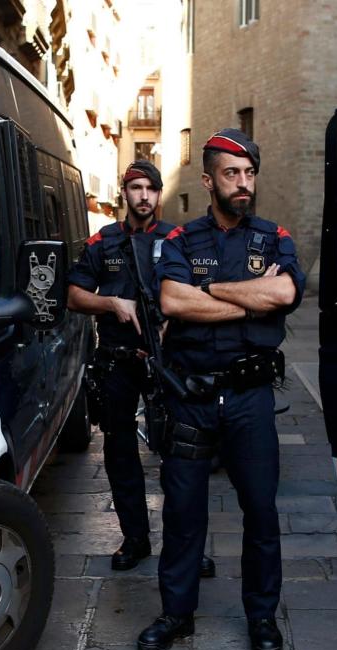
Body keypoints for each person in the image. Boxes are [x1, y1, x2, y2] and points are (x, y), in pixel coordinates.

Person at [136, 129, 305, 650]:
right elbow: (173, 302)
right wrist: (249, 302)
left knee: (261, 512)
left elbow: (284, 292)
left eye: (249, 173)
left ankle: (262, 618)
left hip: (251, 398)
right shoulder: (183, 241)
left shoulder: (275, 238)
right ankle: (175, 614)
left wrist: (206, 290)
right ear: (208, 180)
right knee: (183, 513)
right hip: (191, 396)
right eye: (232, 174)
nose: (243, 183)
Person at [68, 160, 216, 577]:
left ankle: (186, 545)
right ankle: (135, 537)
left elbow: (199, 292)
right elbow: (74, 295)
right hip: (116, 361)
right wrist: (112, 303)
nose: (144, 196)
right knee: (120, 453)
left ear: (159, 194)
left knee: (179, 456)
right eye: (136, 188)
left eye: (151, 188)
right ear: (125, 192)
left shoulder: (178, 240)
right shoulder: (104, 241)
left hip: (167, 360)